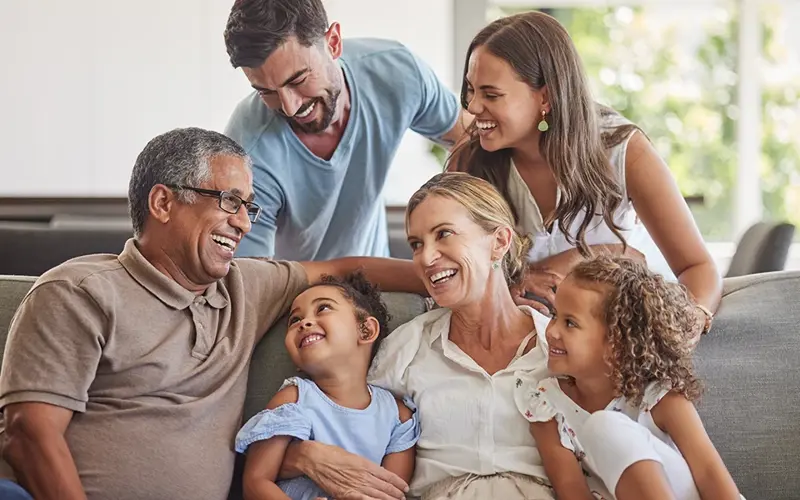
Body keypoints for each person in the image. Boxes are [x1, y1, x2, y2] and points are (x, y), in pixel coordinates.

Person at [0, 128, 424, 500]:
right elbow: (28, 435)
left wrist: (457, 281)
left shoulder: (247, 286)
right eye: (228, 201)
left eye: (248, 207)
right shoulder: (79, 293)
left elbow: (342, 270)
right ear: (163, 202)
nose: (243, 223)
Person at [272, 172, 551, 500]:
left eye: (443, 234)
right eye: (416, 244)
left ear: (499, 242)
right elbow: (347, 429)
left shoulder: (558, 347)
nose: (426, 258)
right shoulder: (407, 348)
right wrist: (304, 456)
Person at [447, 11, 720, 336]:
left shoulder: (623, 151)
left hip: (617, 339)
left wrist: (690, 324)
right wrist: (516, 279)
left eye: (491, 94)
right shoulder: (470, 161)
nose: (472, 107)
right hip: (522, 346)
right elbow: (454, 270)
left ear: (545, 97)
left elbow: (697, 267)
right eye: (470, 90)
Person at [223, 0, 470, 261]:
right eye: (266, 92)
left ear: (333, 43)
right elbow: (252, 279)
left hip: (378, 288)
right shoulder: (247, 152)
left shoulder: (396, 73)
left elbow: (470, 139)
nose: (290, 107)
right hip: (294, 296)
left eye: (298, 80)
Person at [516, 256, 742, 500]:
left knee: (604, 426)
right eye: (554, 316)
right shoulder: (546, 402)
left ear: (617, 343)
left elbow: (709, 474)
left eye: (570, 323)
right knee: (602, 427)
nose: (551, 331)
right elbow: (572, 492)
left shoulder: (659, 395)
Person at [234, 272, 419, 500]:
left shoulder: (398, 415)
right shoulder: (294, 399)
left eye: (323, 308)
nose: (304, 323)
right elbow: (255, 483)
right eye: (295, 320)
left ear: (366, 330)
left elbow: (391, 491)